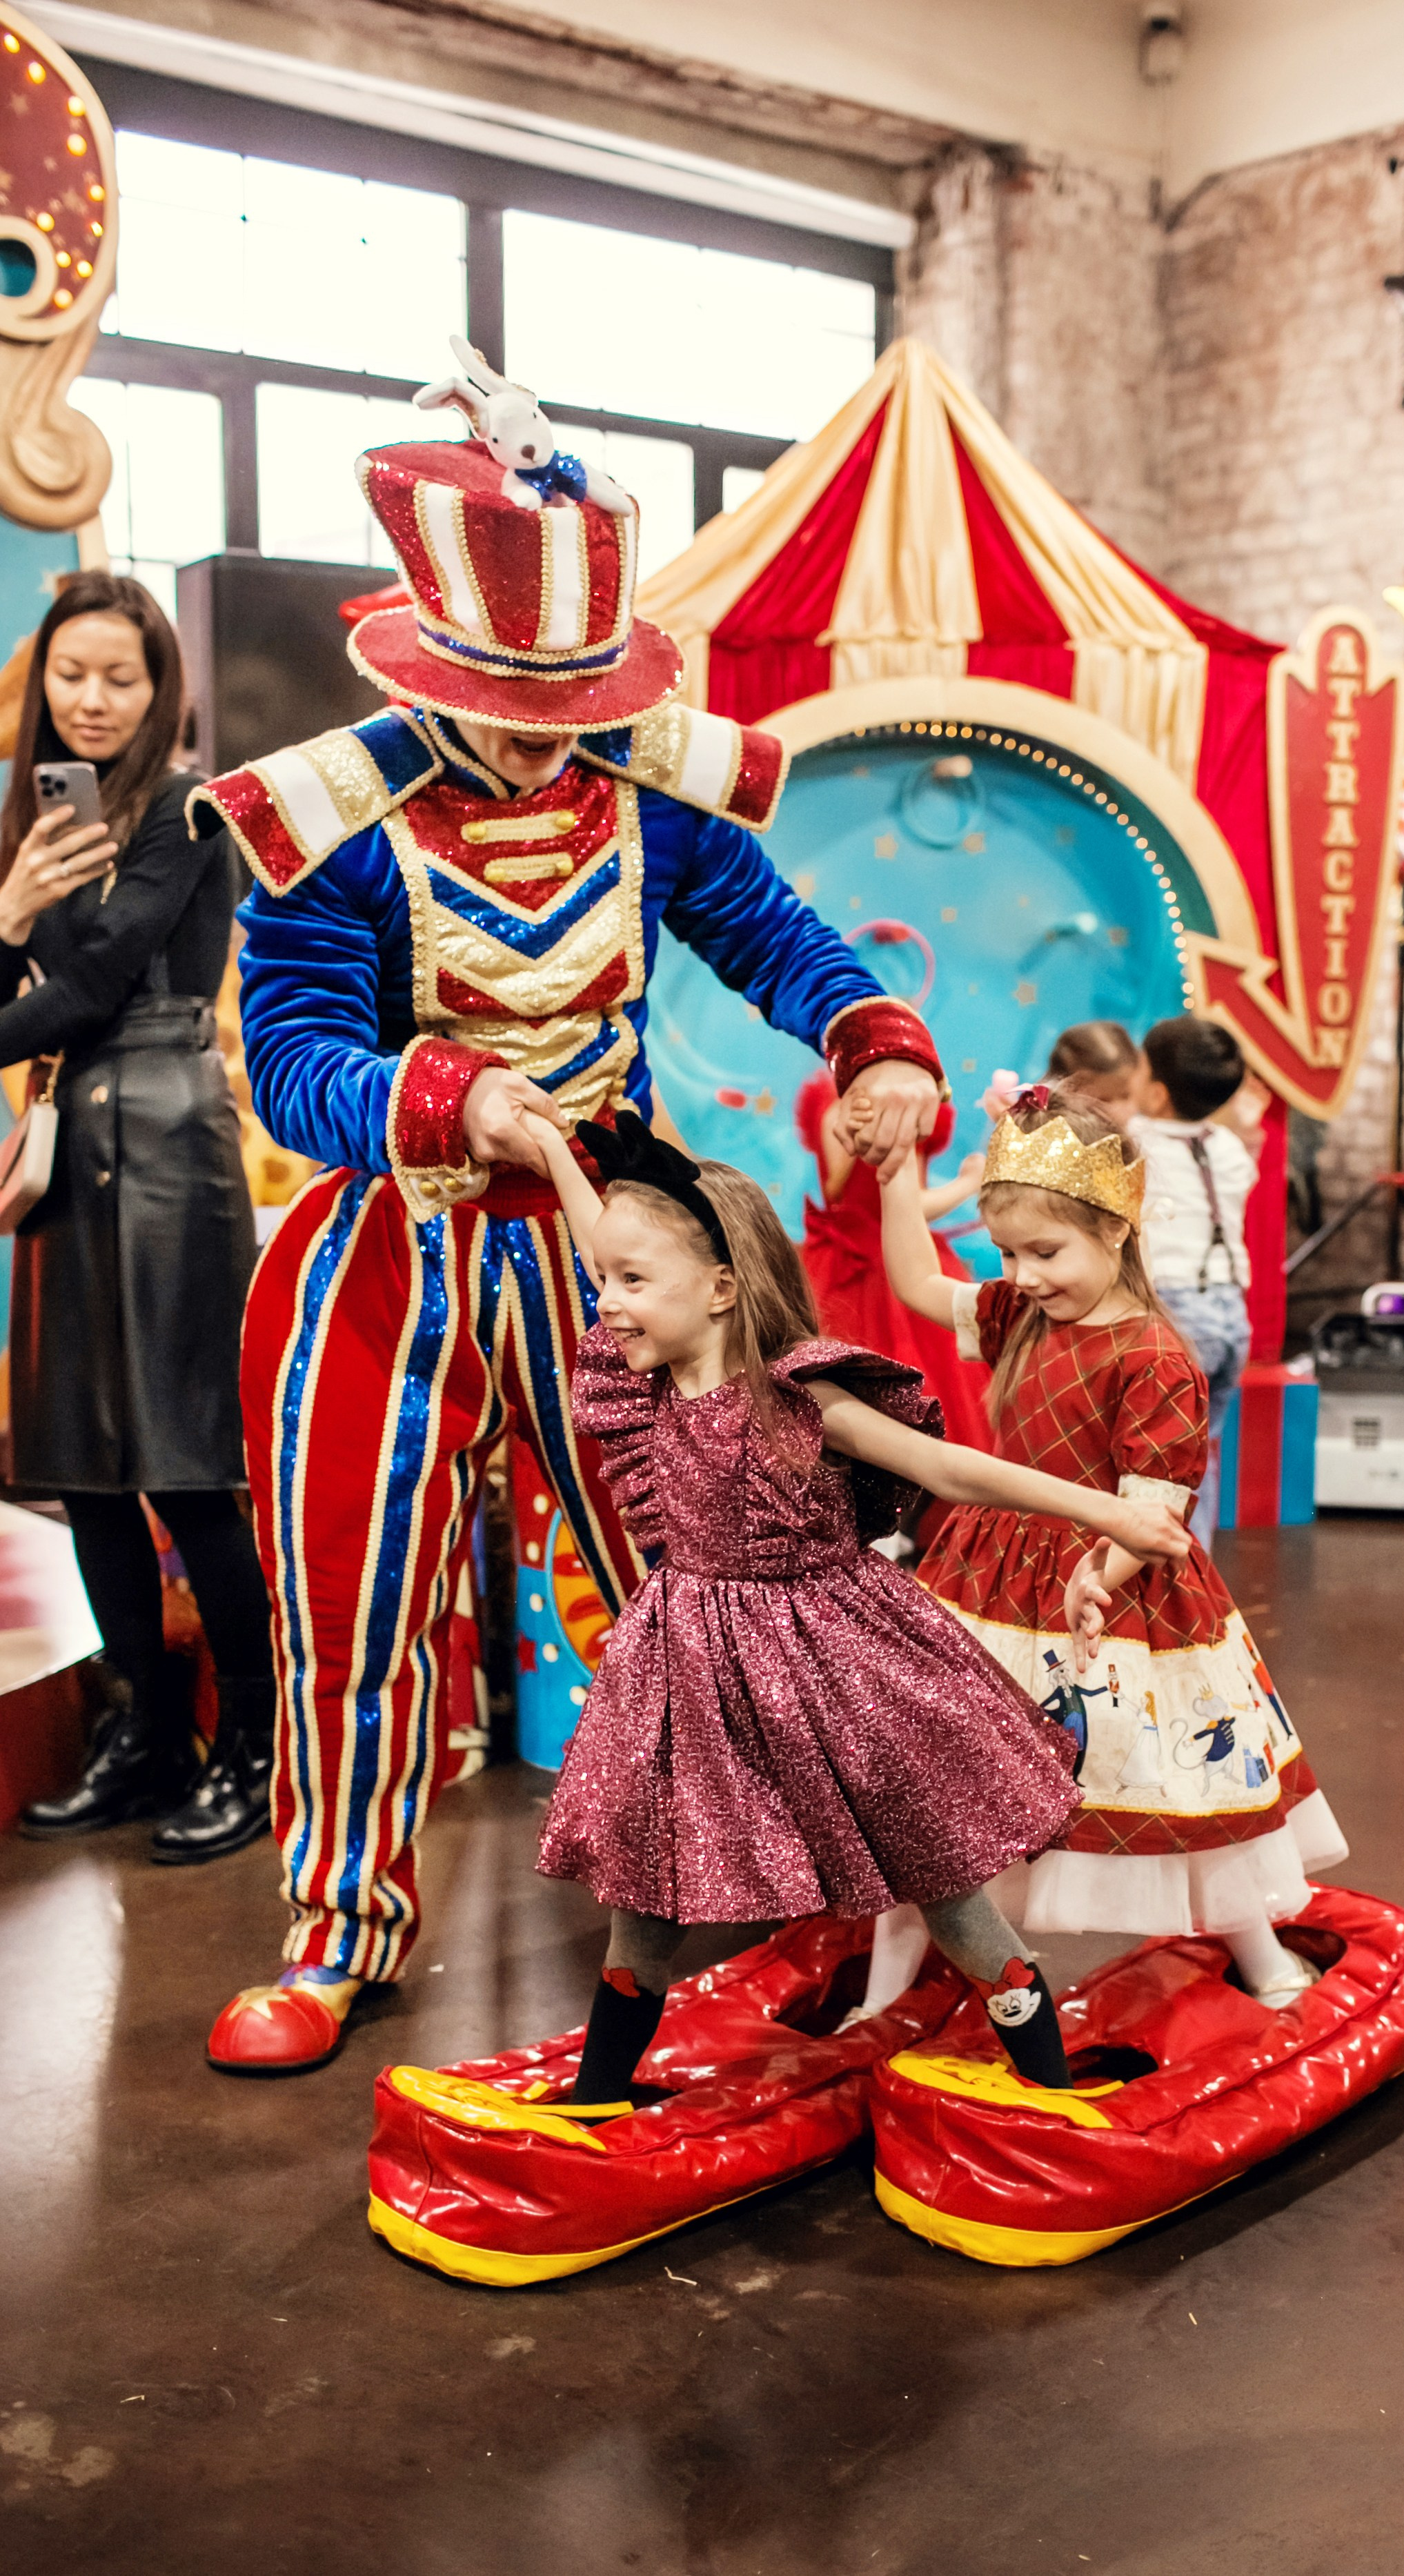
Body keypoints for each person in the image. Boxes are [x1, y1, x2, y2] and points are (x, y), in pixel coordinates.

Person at [194, 395, 949, 2077]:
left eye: (568, 702)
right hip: (384, 1261)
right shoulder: (327, 825)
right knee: (350, 1591)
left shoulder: (651, 804)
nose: (543, 736)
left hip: (619, 1257)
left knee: (708, 1573)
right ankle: (337, 1924)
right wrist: (452, 1099)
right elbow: (297, 1066)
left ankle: (744, 1874)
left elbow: (779, 935)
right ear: (429, 669)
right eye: (510, 702)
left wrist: (872, 1041)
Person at [521, 1108, 1190, 2105]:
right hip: (688, 1672)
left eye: (630, 1283)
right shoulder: (644, 1381)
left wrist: (1111, 1513)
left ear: (720, 1286)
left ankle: (1049, 2086)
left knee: (940, 1877)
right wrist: (548, 1154)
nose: (607, 1304)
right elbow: (608, 1241)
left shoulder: (799, 1399)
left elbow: (945, 1465)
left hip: (827, 1661)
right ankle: (597, 2095)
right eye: (604, 1279)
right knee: (648, 1889)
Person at [870, 1082, 1347, 2010]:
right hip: (986, 1581)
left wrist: (1098, 1574)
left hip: (1117, 1594)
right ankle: (883, 1998)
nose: (1025, 1272)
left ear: (1117, 1229)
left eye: (1045, 1250)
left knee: (1168, 1780)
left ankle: (1257, 1951)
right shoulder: (1017, 1316)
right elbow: (915, 1283)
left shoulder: (1151, 1355)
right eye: (1008, 1251)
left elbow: (1154, 1502)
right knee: (942, 1788)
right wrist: (899, 1177)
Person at [3, 573, 275, 1863]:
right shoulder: (30, 818)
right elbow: (30, 973)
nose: (94, 700)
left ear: (159, 685)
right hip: (68, 1134)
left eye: (120, 676)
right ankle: (147, 1735)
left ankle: (254, 1749)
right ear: (41, 681)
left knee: (183, 1463)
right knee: (82, 1470)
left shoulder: (185, 806)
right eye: (72, 675)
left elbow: (103, 973)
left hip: (169, 1126)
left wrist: (13, 937)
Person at [795, 1070, 989, 1450]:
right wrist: (969, 1182)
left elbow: (836, 1191)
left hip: (835, 1264)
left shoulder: (833, 1105)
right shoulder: (896, 1111)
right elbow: (907, 1206)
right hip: (891, 1259)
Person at [1128, 1013, 1265, 1542]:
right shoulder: (1228, 1149)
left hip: (1179, 1314)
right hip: (1231, 1315)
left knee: (1162, 1467)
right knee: (1201, 1457)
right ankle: (1197, 1571)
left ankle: (1170, 1576)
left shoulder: (1137, 1142)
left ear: (1158, 1094)